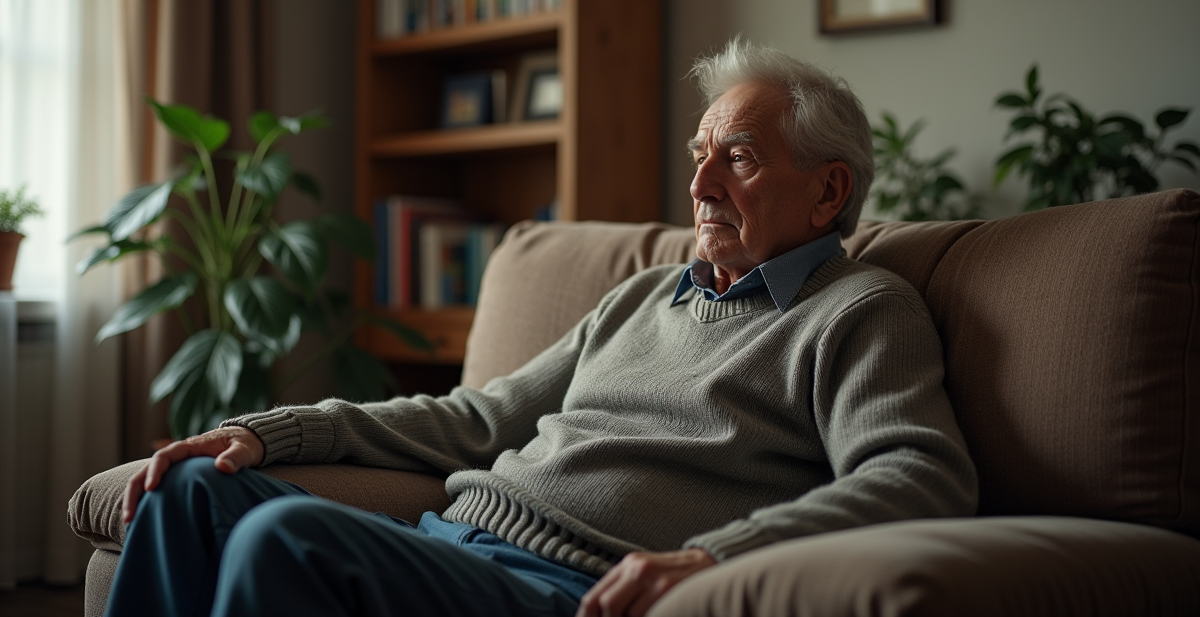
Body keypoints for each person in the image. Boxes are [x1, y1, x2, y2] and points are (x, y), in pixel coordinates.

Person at [107, 38, 978, 617]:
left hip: (562, 587)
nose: (702, 184)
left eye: (739, 158)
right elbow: (476, 419)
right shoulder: (644, 297)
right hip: (450, 541)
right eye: (700, 156)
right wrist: (271, 433)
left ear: (829, 192)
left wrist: (715, 556)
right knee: (190, 489)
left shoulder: (859, 311)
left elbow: (918, 475)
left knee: (279, 537)